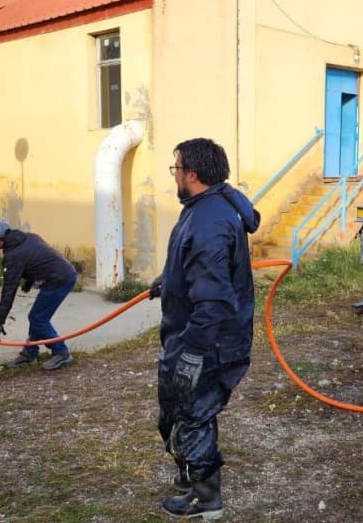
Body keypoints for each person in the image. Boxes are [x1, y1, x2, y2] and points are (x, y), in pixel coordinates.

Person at [152, 138, 260, 519]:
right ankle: (188, 476)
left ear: (192, 175)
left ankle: (205, 498)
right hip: (199, 336)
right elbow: (199, 266)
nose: (174, 176)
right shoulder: (206, 207)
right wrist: (170, 279)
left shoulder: (208, 222)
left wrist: (192, 356)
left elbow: (213, 301)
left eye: (176, 169)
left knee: (192, 413)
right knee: (176, 410)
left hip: (207, 342)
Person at [0, 221, 76, 371]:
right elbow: (38, 258)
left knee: (38, 318)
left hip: (59, 280)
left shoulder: (12, 256)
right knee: (36, 316)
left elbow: (8, 291)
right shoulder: (29, 237)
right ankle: (30, 353)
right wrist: (29, 281)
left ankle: (61, 352)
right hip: (62, 274)